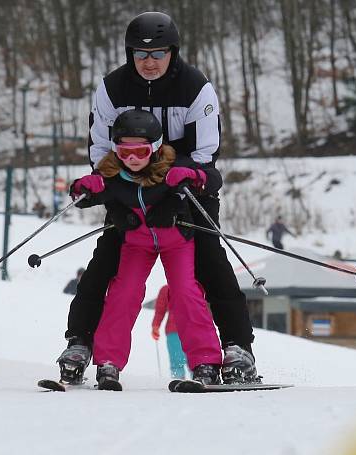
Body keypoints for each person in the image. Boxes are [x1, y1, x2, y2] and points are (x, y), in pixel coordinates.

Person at [57, 11, 258, 385]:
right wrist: (111, 194)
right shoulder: (112, 88)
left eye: (158, 54)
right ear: (130, 54)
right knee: (104, 266)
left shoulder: (195, 88)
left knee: (210, 263)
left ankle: (238, 347)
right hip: (128, 193)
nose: (149, 62)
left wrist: (173, 194)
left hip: (185, 191)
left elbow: (205, 154)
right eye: (141, 54)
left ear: (173, 53)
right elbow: (101, 147)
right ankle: (80, 342)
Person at [74, 109, 223, 388]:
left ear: (154, 149)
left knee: (185, 291)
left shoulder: (171, 167)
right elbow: (86, 195)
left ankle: (206, 362)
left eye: (140, 152)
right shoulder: (113, 174)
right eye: (124, 152)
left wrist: (192, 176)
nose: (131, 160)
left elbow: (212, 179)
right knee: (124, 292)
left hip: (177, 242)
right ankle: (108, 362)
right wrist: (84, 188)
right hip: (136, 244)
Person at [151, 284, 188, 379]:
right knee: (176, 358)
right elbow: (160, 309)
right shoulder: (166, 289)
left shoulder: (198, 286)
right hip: (174, 330)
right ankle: (178, 379)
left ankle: (199, 378)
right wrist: (156, 325)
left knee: (195, 358)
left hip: (195, 329)